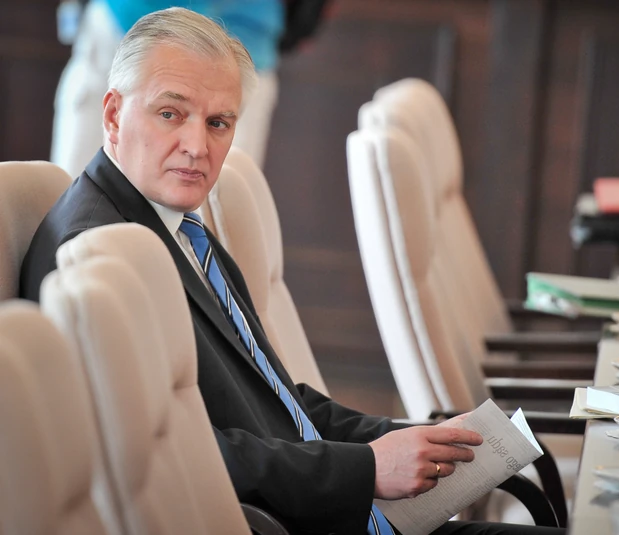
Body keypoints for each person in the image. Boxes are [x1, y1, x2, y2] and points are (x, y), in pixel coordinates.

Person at [22, 8, 564, 535]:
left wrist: (410, 438)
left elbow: (277, 400)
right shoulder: (95, 255)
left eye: (218, 123)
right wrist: (367, 468)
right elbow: (164, 462)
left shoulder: (176, 226)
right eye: (171, 113)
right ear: (113, 115)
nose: (197, 146)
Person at [51, 0, 286, 178]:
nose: (195, 148)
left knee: (218, 207)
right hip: (123, 24)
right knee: (75, 192)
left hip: (243, 39)